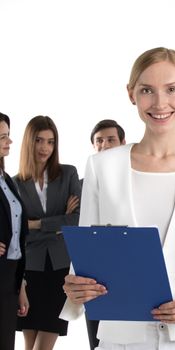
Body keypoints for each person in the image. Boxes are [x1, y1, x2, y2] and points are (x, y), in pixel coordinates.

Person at [60, 47, 175, 350]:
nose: (159, 103)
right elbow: (87, 258)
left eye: (171, 89)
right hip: (122, 337)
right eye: (146, 90)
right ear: (131, 94)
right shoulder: (101, 166)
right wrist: (75, 287)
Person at [15, 115, 81, 349]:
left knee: (46, 337)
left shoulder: (68, 174)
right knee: (29, 337)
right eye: (39, 141)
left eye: (51, 142)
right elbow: (16, 230)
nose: (45, 148)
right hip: (28, 267)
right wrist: (56, 225)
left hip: (60, 266)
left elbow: (74, 221)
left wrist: (34, 224)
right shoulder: (15, 183)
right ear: (29, 143)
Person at [84, 118, 126, 350]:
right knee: (97, 336)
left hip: (127, 266)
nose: (105, 145)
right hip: (94, 270)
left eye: (111, 139)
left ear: (123, 142)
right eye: (99, 140)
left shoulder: (136, 175)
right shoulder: (85, 181)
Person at [0, 112, 29, 350]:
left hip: (10, 277)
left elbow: (17, 235)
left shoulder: (7, 179)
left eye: (8, 136)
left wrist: (21, 287)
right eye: (2, 137)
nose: (9, 142)